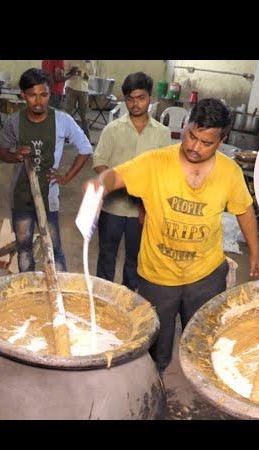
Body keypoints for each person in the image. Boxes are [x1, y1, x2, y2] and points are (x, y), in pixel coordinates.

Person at [83, 98, 259, 372]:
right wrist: (99, 184)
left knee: (202, 338)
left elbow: (245, 211)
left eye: (207, 143)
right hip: (158, 276)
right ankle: (155, 387)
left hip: (206, 274)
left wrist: (255, 253)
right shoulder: (156, 162)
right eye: (192, 136)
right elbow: (115, 176)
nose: (195, 147)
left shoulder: (230, 172)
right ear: (185, 125)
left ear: (222, 140)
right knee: (157, 347)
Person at [0, 68, 93, 273]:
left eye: (44, 94)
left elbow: (86, 148)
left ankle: (59, 294)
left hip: (49, 197)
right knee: (24, 249)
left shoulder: (62, 120)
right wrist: (16, 156)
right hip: (21, 196)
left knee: (54, 249)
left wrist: (66, 177)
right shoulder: (14, 122)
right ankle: (29, 293)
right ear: (23, 95)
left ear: (51, 93)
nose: (38, 101)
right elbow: (2, 152)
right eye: (32, 95)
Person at [93, 72, 171, 291]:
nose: (135, 104)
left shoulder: (162, 134)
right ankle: (103, 297)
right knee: (107, 254)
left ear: (150, 97)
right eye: (130, 98)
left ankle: (128, 300)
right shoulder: (112, 129)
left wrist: (147, 198)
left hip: (143, 210)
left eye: (141, 98)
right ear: (124, 98)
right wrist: (118, 182)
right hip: (113, 208)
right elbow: (99, 161)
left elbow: (164, 170)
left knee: (135, 259)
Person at [64, 60, 93, 139]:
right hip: (71, 87)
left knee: (84, 115)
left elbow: (90, 76)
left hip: (83, 89)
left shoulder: (89, 61)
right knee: (67, 113)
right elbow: (65, 74)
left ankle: (87, 137)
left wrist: (83, 74)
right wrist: (72, 72)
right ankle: (64, 136)